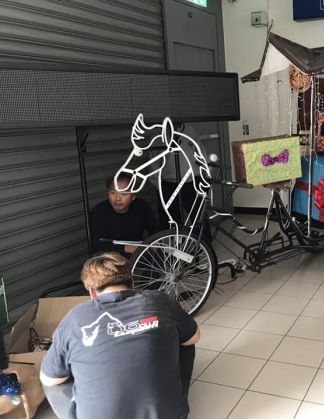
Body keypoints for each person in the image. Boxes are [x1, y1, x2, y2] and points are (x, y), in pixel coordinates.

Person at [40, 252, 200, 419]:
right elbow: (194, 337)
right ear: (132, 283)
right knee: (186, 341)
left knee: (53, 376)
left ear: (92, 292)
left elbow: (49, 378)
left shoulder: (75, 318)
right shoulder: (160, 301)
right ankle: (170, 404)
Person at [153, 123, 212, 242]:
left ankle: (205, 245)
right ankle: (176, 247)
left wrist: (207, 175)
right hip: (169, 184)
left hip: (191, 183)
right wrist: (158, 185)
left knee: (199, 217)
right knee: (171, 220)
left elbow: (201, 153)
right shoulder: (158, 135)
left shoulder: (190, 130)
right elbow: (153, 163)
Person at [90, 173, 161, 256]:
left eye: (124, 194)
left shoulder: (141, 206)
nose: (117, 199)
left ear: (133, 196)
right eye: (113, 193)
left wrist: (155, 242)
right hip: (111, 259)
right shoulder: (99, 212)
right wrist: (126, 248)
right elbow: (97, 246)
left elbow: (155, 231)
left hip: (138, 256)